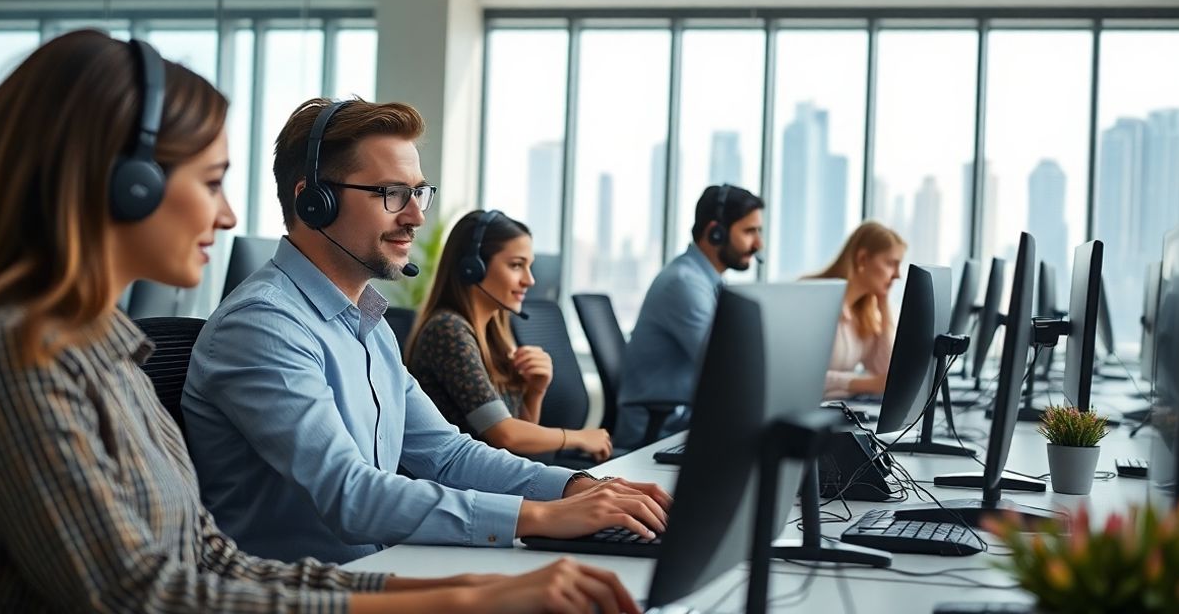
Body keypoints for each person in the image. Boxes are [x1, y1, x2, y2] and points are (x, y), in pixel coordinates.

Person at [0, 32, 639, 613]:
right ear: (124, 186)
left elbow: (207, 555)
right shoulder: (12, 363)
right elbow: (144, 594)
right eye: (209, 182)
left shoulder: (105, 356)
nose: (229, 214)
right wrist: (463, 597)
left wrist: (462, 586)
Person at [183, 98, 669, 565]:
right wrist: (541, 517)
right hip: (307, 596)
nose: (416, 216)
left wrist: (574, 488)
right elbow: (350, 494)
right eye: (392, 194)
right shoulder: (264, 325)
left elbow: (446, 454)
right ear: (314, 201)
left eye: (418, 193)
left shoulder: (369, 326)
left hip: (388, 571)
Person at [406, 209, 612, 461]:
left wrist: (535, 391)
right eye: (516, 265)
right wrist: (579, 437)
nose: (530, 280)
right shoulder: (448, 330)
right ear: (472, 268)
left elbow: (517, 448)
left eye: (529, 267)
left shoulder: (496, 333)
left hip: (495, 479)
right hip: (463, 488)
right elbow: (505, 436)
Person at [615, 184, 765, 450]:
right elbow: (726, 365)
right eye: (749, 231)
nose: (758, 244)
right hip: (659, 432)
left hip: (684, 421)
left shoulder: (708, 282)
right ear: (715, 232)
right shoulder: (684, 284)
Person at [807, 220, 907, 399]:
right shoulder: (812, 300)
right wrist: (864, 383)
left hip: (836, 412)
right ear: (862, 259)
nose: (898, 275)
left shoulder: (863, 313)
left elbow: (886, 373)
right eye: (891, 263)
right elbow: (799, 376)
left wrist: (884, 306)